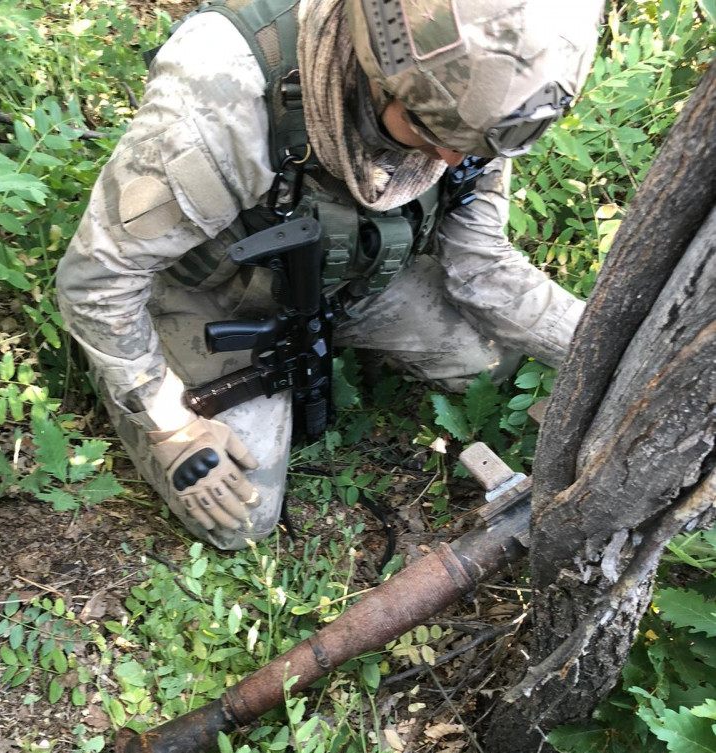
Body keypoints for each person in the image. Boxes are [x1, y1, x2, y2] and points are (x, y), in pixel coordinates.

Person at [56, 0, 602, 550]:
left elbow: (483, 263)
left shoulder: (485, 107)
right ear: (375, 72)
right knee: (240, 517)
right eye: (425, 127)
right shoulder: (224, 100)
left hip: (355, 276)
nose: (449, 157)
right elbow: (99, 278)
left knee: (489, 359)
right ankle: (130, 362)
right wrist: (169, 425)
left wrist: (610, 348)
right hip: (219, 294)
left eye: (471, 146)